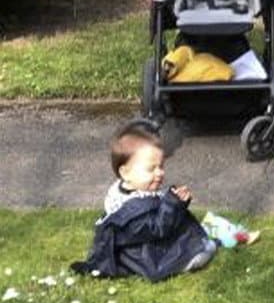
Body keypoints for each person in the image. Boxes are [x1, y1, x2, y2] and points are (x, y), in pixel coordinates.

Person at [71, 121, 218, 282]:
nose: (159, 173)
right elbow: (157, 228)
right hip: (145, 257)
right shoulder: (130, 211)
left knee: (193, 235)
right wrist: (173, 204)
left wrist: (178, 202)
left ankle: (202, 239)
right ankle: (191, 257)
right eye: (151, 169)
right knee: (201, 251)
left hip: (145, 244)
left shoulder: (130, 191)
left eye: (161, 166)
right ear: (125, 173)